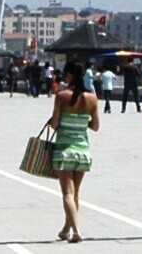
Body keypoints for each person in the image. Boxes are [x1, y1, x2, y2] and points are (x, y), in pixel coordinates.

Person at [47, 61, 101, 244]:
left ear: (69, 75)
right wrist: (80, 122)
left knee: (67, 194)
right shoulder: (92, 98)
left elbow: (54, 124)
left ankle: (77, 231)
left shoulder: (62, 96)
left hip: (64, 150)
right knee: (75, 193)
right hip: (83, 151)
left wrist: (59, 120)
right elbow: (95, 126)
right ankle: (66, 228)